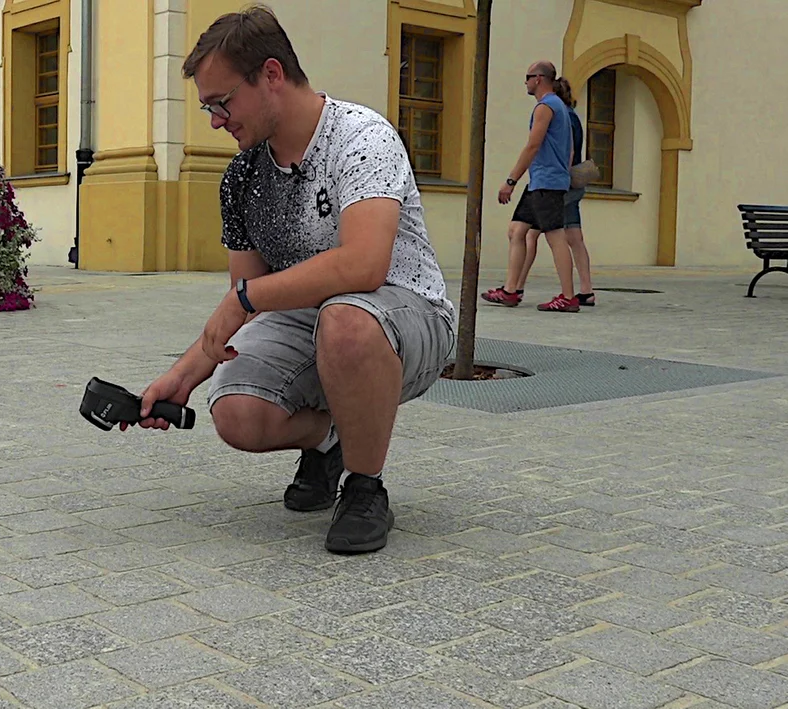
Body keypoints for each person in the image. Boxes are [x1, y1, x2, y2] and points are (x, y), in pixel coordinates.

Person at [119, 4, 454, 555]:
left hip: (405, 316)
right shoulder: (242, 176)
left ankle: (365, 488)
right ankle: (332, 439)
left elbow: (363, 265)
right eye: (208, 108)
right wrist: (181, 378)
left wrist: (244, 299)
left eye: (222, 103)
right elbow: (244, 302)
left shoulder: (362, 138)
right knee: (237, 415)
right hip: (313, 322)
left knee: (346, 319)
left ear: (271, 75)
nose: (216, 121)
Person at [481, 61, 580, 312]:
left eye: (527, 77)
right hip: (542, 180)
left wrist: (511, 181)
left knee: (555, 236)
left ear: (538, 79)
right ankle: (510, 291)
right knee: (517, 230)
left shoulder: (546, 107)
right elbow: (568, 150)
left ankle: (568, 297)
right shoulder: (561, 108)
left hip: (546, 182)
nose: (525, 82)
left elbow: (532, 146)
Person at [517, 77, 596, 306]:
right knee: (573, 235)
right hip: (573, 182)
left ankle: (517, 286)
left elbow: (564, 151)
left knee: (531, 233)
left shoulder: (557, 114)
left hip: (558, 182)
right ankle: (586, 290)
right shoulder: (572, 115)